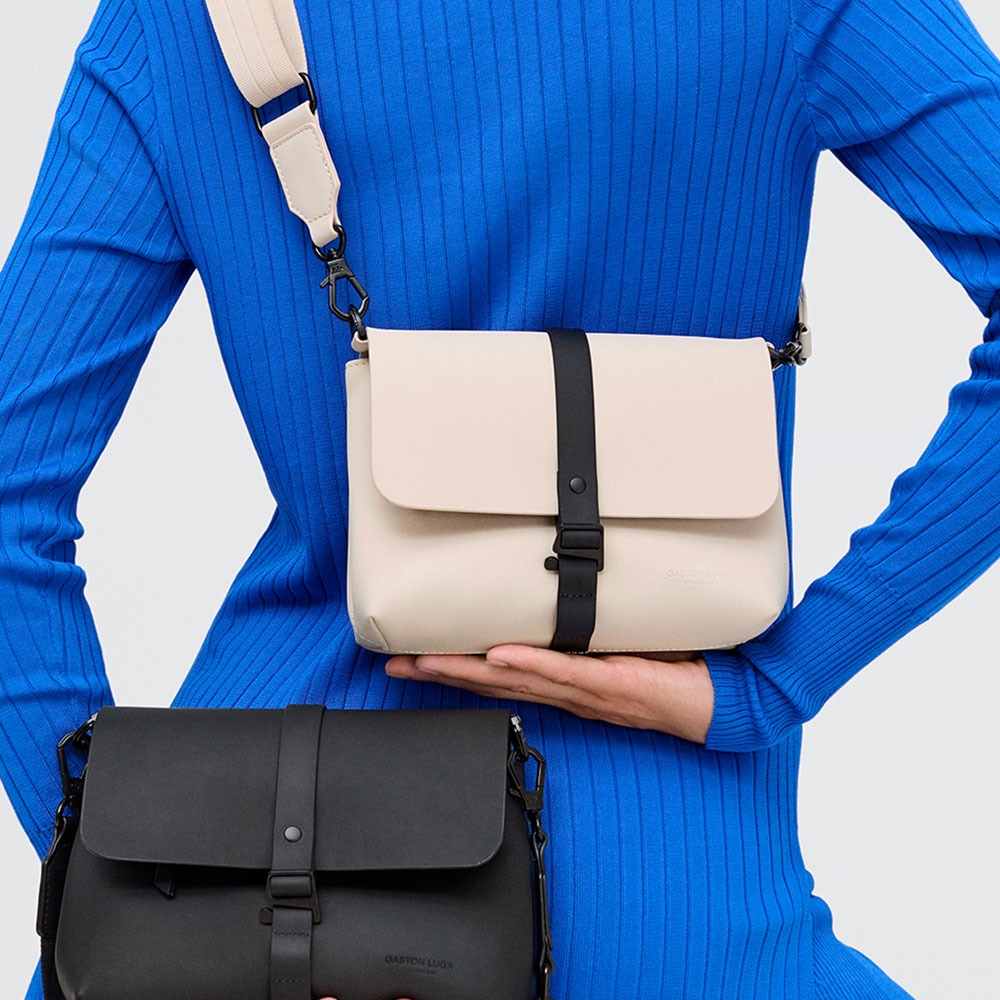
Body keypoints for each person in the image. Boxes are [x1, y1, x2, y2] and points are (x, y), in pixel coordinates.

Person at [1, 0, 999, 997]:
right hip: (675, 903)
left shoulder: (185, 18)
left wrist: (137, 892)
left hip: (264, 872)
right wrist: (777, 680)